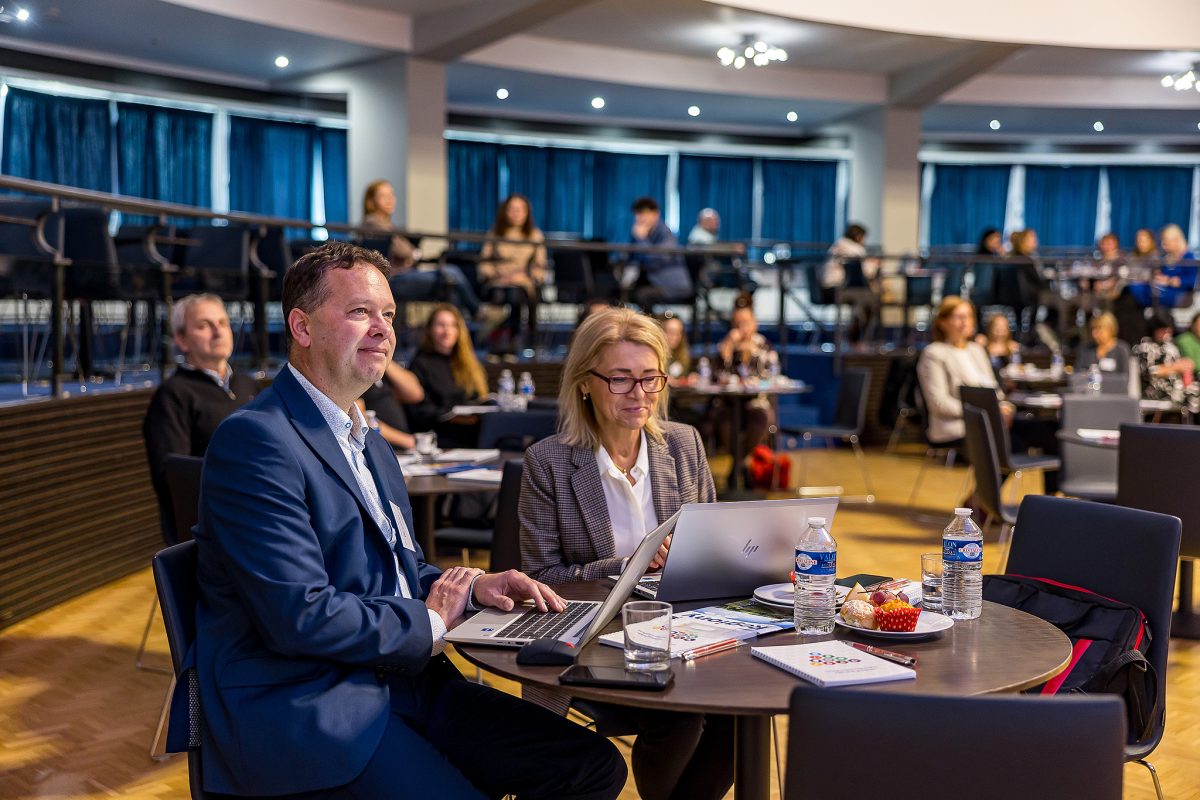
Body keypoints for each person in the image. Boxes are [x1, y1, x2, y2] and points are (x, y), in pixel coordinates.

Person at [190, 241, 626, 799]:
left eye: (389, 315)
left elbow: (400, 571)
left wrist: (472, 590)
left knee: (592, 766)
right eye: (359, 312)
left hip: (404, 681)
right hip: (316, 704)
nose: (382, 329)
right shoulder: (256, 440)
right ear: (301, 328)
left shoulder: (369, 442)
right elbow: (297, 615)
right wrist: (430, 622)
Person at [519, 306, 733, 800]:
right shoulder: (548, 462)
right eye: (621, 379)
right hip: (594, 632)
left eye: (650, 378)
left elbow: (713, 542)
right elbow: (542, 578)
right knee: (678, 716)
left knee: (739, 717)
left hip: (686, 626)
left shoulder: (683, 445)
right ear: (585, 383)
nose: (639, 395)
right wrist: (633, 561)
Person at [142, 293, 258, 541]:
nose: (218, 332)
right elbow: (174, 478)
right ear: (182, 340)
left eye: (222, 323)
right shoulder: (173, 396)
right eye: (204, 325)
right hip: (212, 532)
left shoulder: (247, 385)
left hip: (257, 517)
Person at [360, 179, 481, 316]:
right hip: (395, 278)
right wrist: (412, 253)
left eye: (391, 195)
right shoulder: (373, 223)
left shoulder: (387, 225)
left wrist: (410, 252)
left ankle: (464, 326)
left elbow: (404, 250)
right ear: (371, 200)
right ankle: (478, 311)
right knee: (451, 273)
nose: (390, 200)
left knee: (452, 289)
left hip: (404, 274)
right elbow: (404, 251)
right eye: (384, 196)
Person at [917, 296, 1009, 448]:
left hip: (988, 421)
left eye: (969, 316)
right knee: (1003, 439)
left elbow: (993, 389)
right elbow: (939, 404)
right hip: (954, 427)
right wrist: (983, 412)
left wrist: (1003, 407)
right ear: (942, 322)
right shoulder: (933, 353)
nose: (965, 322)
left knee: (1042, 430)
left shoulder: (976, 350)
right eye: (959, 317)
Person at [408, 303, 490, 447]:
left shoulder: (468, 362)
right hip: (441, 436)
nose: (447, 331)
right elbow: (419, 412)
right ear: (430, 330)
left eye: (453, 325)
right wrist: (451, 416)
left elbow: (477, 397)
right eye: (441, 325)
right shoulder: (420, 363)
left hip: (473, 430)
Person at [480, 194, 547, 349]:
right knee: (505, 294)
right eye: (512, 209)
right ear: (505, 211)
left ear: (526, 212)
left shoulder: (535, 235)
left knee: (516, 295)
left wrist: (524, 276)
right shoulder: (494, 233)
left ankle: (510, 340)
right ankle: (501, 340)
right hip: (499, 281)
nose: (515, 213)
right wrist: (498, 275)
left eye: (519, 209)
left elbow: (540, 267)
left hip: (523, 282)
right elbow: (483, 264)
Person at [821, 223, 880, 341]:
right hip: (839, 290)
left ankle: (854, 336)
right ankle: (857, 339)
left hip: (826, 289)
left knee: (863, 299)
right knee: (873, 301)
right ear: (859, 236)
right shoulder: (854, 248)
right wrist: (875, 264)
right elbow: (868, 272)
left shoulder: (837, 244)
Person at [630, 196, 692, 308]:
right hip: (653, 282)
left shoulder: (665, 233)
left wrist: (641, 239)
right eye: (637, 214)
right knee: (619, 291)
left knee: (642, 295)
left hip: (673, 287)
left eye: (644, 214)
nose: (640, 218)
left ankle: (648, 326)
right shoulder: (645, 234)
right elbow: (634, 257)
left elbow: (656, 258)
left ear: (656, 214)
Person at [1134, 312, 1200, 415]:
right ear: (1155, 329)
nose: (1167, 332)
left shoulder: (1172, 347)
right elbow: (1149, 372)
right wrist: (1176, 367)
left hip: (1178, 389)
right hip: (1157, 391)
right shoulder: (1145, 347)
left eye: (1169, 329)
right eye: (1163, 329)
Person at [359, 360, 425, 450]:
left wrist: (385, 358)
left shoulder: (383, 367)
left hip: (403, 448)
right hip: (380, 448)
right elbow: (360, 419)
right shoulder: (358, 372)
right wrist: (408, 441)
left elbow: (416, 394)